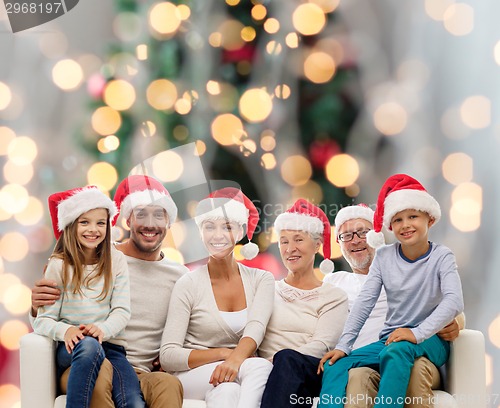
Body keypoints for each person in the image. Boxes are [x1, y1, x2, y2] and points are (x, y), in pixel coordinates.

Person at [31, 175, 188, 408]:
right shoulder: (95, 254)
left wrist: (173, 357)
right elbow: (47, 313)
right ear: (127, 219)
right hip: (88, 361)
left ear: (169, 222)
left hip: (134, 368)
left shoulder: (181, 276)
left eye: (159, 215)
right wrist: (34, 306)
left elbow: (196, 328)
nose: (150, 224)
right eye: (141, 214)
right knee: (99, 365)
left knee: (168, 384)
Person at [317, 174, 464, 408]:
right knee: (337, 364)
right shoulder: (384, 257)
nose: (405, 225)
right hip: (391, 340)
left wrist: (416, 333)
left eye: (413, 216)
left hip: (430, 340)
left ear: (430, 219)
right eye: (397, 220)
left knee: (396, 352)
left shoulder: (442, 256)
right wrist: (343, 346)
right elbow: (365, 303)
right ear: (390, 227)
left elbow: (454, 301)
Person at [160, 187, 275, 408]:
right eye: (209, 227)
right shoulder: (188, 283)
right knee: (258, 367)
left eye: (227, 226)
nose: (218, 235)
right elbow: (168, 355)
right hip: (190, 374)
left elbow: (256, 328)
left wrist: (233, 361)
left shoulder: (261, 279)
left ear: (240, 231)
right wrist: (226, 355)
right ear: (201, 232)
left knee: (228, 390)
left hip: (236, 371)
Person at [32, 186, 144, 408]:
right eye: (85, 222)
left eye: (100, 223)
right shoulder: (59, 265)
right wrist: (67, 330)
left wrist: (102, 329)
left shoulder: (116, 261)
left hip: (111, 346)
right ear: (71, 225)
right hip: (73, 348)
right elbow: (43, 320)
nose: (93, 229)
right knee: (89, 345)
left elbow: (122, 311)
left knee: (133, 402)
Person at [259, 198, 349, 408]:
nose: (290, 248)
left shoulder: (334, 296)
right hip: (264, 368)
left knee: (287, 359)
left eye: (298, 239)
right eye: (284, 241)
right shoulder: (266, 288)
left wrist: (278, 361)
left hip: (309, 371)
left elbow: (322, 345)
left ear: (317, 244)